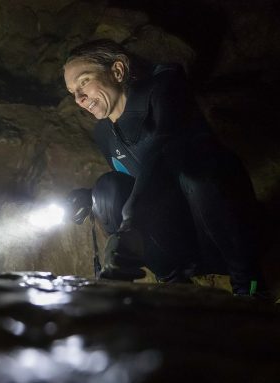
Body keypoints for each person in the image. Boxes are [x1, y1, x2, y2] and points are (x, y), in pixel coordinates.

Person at [62, 39, 268, 296]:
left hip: (218, 222)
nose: (80, 99)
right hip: (180, 238)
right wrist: (91, 198)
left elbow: (162, 151)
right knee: (106, 188)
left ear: (117, 71)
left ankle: (248, 286)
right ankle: (175, 286)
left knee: (194, 167)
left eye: (84, 82)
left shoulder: (164, 89)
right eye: (73, 93)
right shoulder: (104, 133)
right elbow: (139, 181)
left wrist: (130, 219)